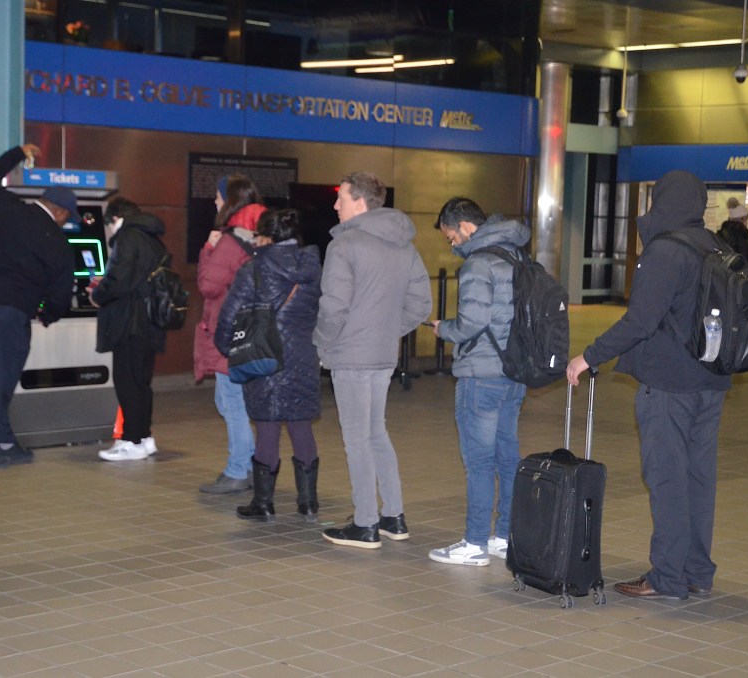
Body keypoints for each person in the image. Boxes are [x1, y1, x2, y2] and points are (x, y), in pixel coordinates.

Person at [567, 170, 731, 600]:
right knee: (698, 479)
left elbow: (641, 320)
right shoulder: (714, 246)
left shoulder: (667, 250)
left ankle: (668, 578)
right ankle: (696, 571)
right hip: (710, 382)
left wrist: (589, 355)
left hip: (669, 385)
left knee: (667, 479)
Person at [315, 171, 432, 549]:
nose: (335, 205)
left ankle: (365, 523)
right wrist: (385, 331)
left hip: (350, 356)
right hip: (382, 355)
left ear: (360, 202)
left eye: (341, 198)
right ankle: (393, 517)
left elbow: (333, 307)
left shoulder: (344, 245)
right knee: (376, 433)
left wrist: (321, 344)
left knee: (357, 440)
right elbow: (421, 305)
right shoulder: (403, 245)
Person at [0, 144, 76, 471]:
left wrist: (17, 153)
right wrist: (47, 315)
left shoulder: (8, 206)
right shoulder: (58, 243)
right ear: (62, 213)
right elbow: (61, 295)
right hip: (7, 311)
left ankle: (5, 442)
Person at [427, 197, 529, 566]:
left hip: (482, 375)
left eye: (450, 236)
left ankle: (474, 544)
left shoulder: (478, 263)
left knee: (479, 461)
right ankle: (503, 535)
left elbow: (471, 323)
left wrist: (444, 329)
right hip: (515, 371)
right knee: (507, 455)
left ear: (465, 226)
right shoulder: (517, 255)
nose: (451, 244)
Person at [215, 209, 323, 522]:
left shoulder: (254, 268)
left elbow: (229, 315)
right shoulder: (313, 268)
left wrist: (229, 349)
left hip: (264, 354)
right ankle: (308, 503)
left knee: (268, 427)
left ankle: (263, 503)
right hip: (302, 356)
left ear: (264, 236)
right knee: (301, 424)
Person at [195, 174, 266, 494]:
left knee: (231, 402)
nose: (215, 202)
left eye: (219, 197)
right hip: (253, 331)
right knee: (235, 400)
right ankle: (247, 465)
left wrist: (207, 250)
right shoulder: (260, 235)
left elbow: (208, 285)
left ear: (231, 201)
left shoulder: (228, 240)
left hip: (226, 330)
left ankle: (239, 468)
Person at [90, 197, 168, 461]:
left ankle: (131, 440)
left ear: (115, 219)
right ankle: (145, 438)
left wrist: (97, 294)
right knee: (141, 382)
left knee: (127, 382)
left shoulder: (127, 237)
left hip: (129, 323)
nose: (110, 232)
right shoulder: (152, 239)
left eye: (109, 226)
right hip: (150, 322)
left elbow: (119, 280)